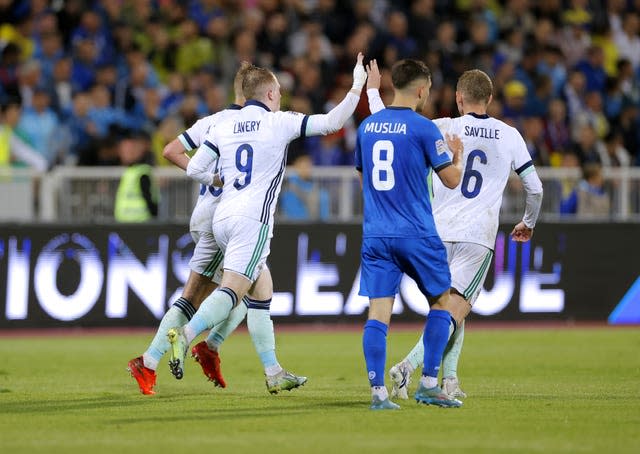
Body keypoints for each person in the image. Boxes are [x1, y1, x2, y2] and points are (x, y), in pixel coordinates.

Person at [168, 53, 368, 392]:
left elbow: (195, 169)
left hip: (222, 217)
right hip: (252, 221)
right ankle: (186, 336)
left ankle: (274, 372)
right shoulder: (280, 121)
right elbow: (333, 122)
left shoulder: (224, 125)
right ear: (271, 94)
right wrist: (357, 86)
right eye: (279, 91)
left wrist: (222, 181)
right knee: (233, 291)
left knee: (262, 292)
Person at [367, 65, 544, 402]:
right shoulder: (509, 135)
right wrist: (528, 222)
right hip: (476, 236)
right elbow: (534, 188)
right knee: (454, 311)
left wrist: (374, 91)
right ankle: (409, 367)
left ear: (459, 98)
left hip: (434, 234)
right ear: (489, 98)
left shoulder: (441, 127)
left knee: (449, 308)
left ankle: (449, 380)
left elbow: (389, 125)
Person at [127, 62, 306, 395]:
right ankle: (213, 348)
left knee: (206, 294)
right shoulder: (260, 125)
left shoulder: (212, 122)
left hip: (205, 216)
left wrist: (208, 177)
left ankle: (151, 361)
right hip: (231, 217)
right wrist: (217, 179)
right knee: (244, 289)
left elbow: (169, 150)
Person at [355, 58, 464, 410]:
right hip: (417, 232)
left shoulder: (367, 127)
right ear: (421, 89)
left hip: (376, 234)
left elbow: (364, 178)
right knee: (442, 303)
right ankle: (429, 384)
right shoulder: (424, 128)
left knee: (378, 314)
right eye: (429, 89)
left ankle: (377, 394)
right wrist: (456, 157)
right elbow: (451, 180)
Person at [114, 129, 159, 222]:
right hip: (124, 221)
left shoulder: (142, 172)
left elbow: (149, 198)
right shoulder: (129, 171)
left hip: (140, 221)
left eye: (130, 150)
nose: (127, 153)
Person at [0, 98, 48, 171]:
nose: (16, 117)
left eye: (18, 113)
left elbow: (39, 162)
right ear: (3, 115)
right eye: (12, 113)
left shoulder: (13, 135)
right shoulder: (6, 134)